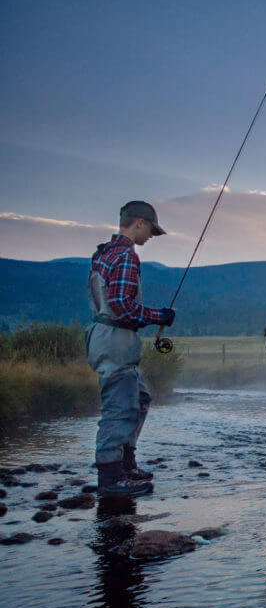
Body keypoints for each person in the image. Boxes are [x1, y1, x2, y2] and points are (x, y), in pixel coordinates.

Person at [85, 200, 175, 497]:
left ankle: (126, 463)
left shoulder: (104, 252)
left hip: (107, 335)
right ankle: (111, 479)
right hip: (115, 338)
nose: (151, 235)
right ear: (139, 222)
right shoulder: (126, 255)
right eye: (150, 228)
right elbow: (123, 306)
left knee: (140, 398)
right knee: (120, 409)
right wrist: (158, 316)